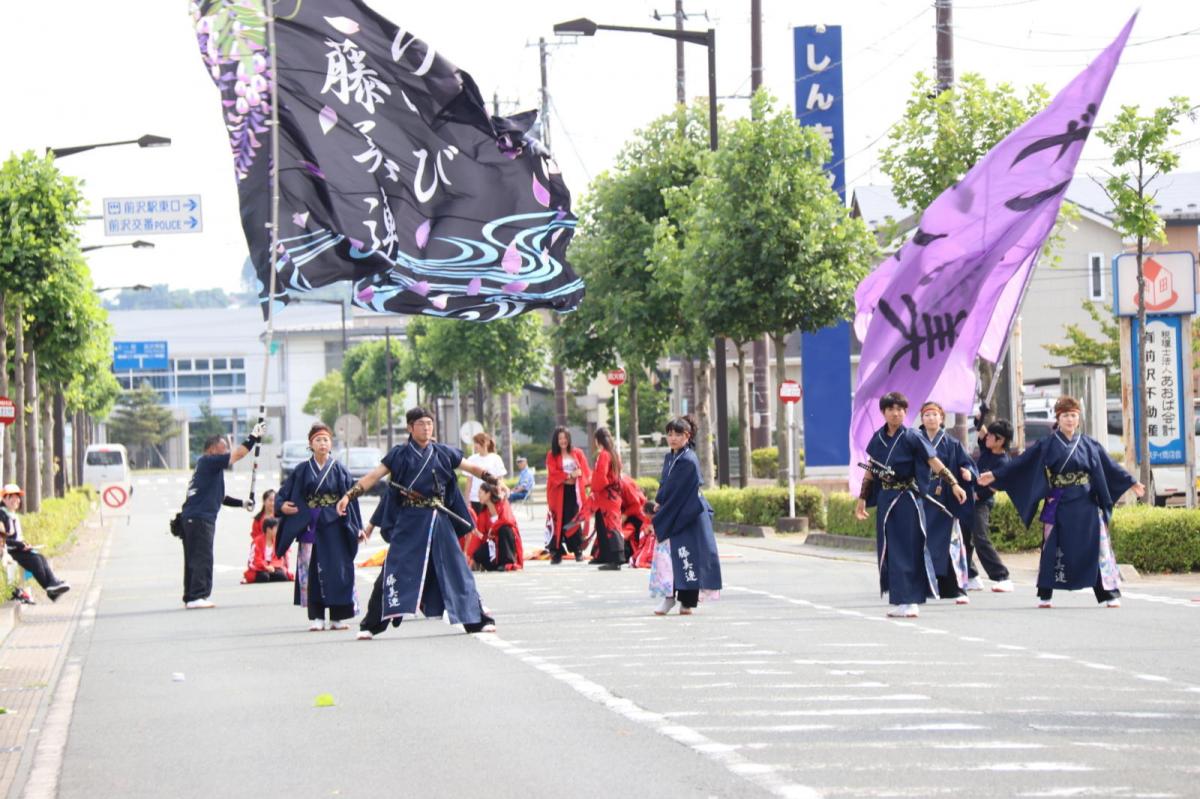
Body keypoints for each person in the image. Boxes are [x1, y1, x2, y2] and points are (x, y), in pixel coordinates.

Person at [339, 407, 499, 641]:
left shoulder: (443, 453)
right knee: (392, 570)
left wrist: (494, 480)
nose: (426, 428)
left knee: (457, 569)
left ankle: (477, 620)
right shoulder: (399, 455)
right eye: (421, 424)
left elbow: (472, 468)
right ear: (410, 428)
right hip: (410, 521)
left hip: (438, 519)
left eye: (429, 423)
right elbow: (373, 477)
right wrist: (348, 495)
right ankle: (371, 624)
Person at [978, 396, 1144, 609]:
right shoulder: (1047, 444)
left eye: (1073, 415)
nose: (1069, 419)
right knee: (1051, 546)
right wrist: (996, 474)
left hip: (1086, 502)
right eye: (1065, 415)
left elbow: (1109, 465)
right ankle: (1045, 592)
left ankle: (1108, 592)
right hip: (1059, 501)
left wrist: (1131, 482)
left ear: (1078, 418)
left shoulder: (1089, 444)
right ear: (1058, 418)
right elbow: (1023, 462)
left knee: (1097, 546)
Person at [855, 392, 968, 618]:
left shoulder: (912, 436)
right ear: (883, 412)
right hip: (887, 501)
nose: (895, 413)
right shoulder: (877, 439)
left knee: (909, 548)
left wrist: (954, 483)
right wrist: (862, 499)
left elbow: (933, 462)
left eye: (900, 409)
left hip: (907, 499)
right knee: (891, 551)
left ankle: (912, 600)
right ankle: (900, 599)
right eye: (890, 409)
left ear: (906, 412)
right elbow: (870, 471)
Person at [276, 423, 362, 631]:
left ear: (330, 444)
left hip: (335, 524)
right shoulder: (302, 470)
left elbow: (352, 499)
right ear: (311, 445)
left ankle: (337, 617)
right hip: (310, 524)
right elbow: (283, 494)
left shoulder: (340, 469)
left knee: (337, 569)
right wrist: (281, 506)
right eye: (318, 440)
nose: (322, 444)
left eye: (325, 440)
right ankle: (317, 616)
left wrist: (357, 526)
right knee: (312, 569)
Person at [180, 425, 263, 609]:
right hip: (200, 518)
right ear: (212, 449)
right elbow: (238, 455)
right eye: (223, 447)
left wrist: (242, 503)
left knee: (194, 557)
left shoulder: (208, 469)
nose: (226, 451)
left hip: (193, 517)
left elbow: (221, 497)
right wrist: (253, 437)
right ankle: (197, 595)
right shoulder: (209, 461)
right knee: (202, 557)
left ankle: (191, 595)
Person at [649, 415, 721, 616]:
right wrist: (659, 503)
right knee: (669, 559)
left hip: (688, 515)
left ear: (687, 436)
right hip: (675, 512)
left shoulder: (688, 459)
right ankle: (669, 598)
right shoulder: (670, 457)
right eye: (669, 434)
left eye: (677, 434)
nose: (672, 438)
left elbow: (677, 490)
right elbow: (666, 486)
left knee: (688, 557)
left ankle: (687, 603)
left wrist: (662, 509)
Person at [917, 402, 976, 605]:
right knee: (921, 542)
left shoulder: (951, 443)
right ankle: (923, 586)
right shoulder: (915, 442)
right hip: (921, 500)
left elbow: (967, 463)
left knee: (949, 544)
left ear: (941, 418)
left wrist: (968, 472)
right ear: (922, 419)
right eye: (927, 415)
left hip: (945, 502)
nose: (931, 418)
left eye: (935, 414)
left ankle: (955, 587)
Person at [0, 485, 70, 602]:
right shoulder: (1, 515)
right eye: (11, 497)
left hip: (16, 549)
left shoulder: (12, 515)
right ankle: (50, 588)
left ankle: (52, 583)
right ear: (3, 499)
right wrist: (21, 545)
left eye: (17, 497)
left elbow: (17, 537)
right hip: (7, 551)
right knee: (35, 560)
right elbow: (3, 539)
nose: (15, 500)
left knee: (40, 557)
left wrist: (25, 544)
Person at [969, 418, 1015, 592]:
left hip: (981, 503)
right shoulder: (987, 450)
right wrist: (981, 415)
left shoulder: (1003, 462)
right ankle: (971, 576)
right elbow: (980, 428)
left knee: (980, 538)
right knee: (964, 540)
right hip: (968, 501)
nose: (986, 438)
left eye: (990, 436)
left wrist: (976, 494)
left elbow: (993, 488)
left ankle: (1002, 576)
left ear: (1000, 440)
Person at [545, 426, 590, 564]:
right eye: (560, 438)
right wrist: (570, 474)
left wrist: (580, 474)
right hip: (558, 493)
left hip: (574, 492)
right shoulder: (552, 455)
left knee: (574, 520)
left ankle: (577, 550)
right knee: (557, 520)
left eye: (565, 438)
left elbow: (585, 471)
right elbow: (553, 475)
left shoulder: (578, 453)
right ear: (556, 440)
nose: (563, 441)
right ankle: (556, 552)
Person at [589, 427, 625, 571]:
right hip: (612, 495)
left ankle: (616, 559)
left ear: (598, 440)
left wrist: (594, 488)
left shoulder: (604, 455)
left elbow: (602, 477)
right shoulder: (614, 454)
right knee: (603, 525)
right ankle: (604, 555)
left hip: (606, 495)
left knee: (611, 526)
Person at [471, 482, 524, 572]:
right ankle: (497, 565)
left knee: (504, 529)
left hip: (508, 539)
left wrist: (493, 528)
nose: (478, 496)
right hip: (494, 544)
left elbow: (508, 520)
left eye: (480, 493)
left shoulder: (503, 503)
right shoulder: (483, 514)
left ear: (488, 494)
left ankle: (508, 562)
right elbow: (482, 536)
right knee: (477, 554)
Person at [465, 432, 506, 515]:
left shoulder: (495, 458)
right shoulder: (471, 459)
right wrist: (466, 500)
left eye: (478, 442)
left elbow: (500, 480)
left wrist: (501, 495)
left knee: (492, 525)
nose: (475, 445)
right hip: (475, 499)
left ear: (486, 442)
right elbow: (469, 482)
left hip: (491, 499)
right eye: (474, 443)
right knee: (477, 525)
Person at [243, 517, 293, 583]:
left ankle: (270, 575)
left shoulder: (277, 541)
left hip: (273, 567)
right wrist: (265, 566)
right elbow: (254, 559)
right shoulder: (257, 541)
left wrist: (272, 566)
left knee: (282, 576)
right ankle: (267, 576)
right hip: (259, 568)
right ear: (269, 530)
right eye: (276, 529)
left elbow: (280, 558)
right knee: (264, 577)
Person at [620, 475, 655, 568]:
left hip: (650, 544)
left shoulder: (625, 484)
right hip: (644, 542)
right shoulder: (646, 520)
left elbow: (636, 504)